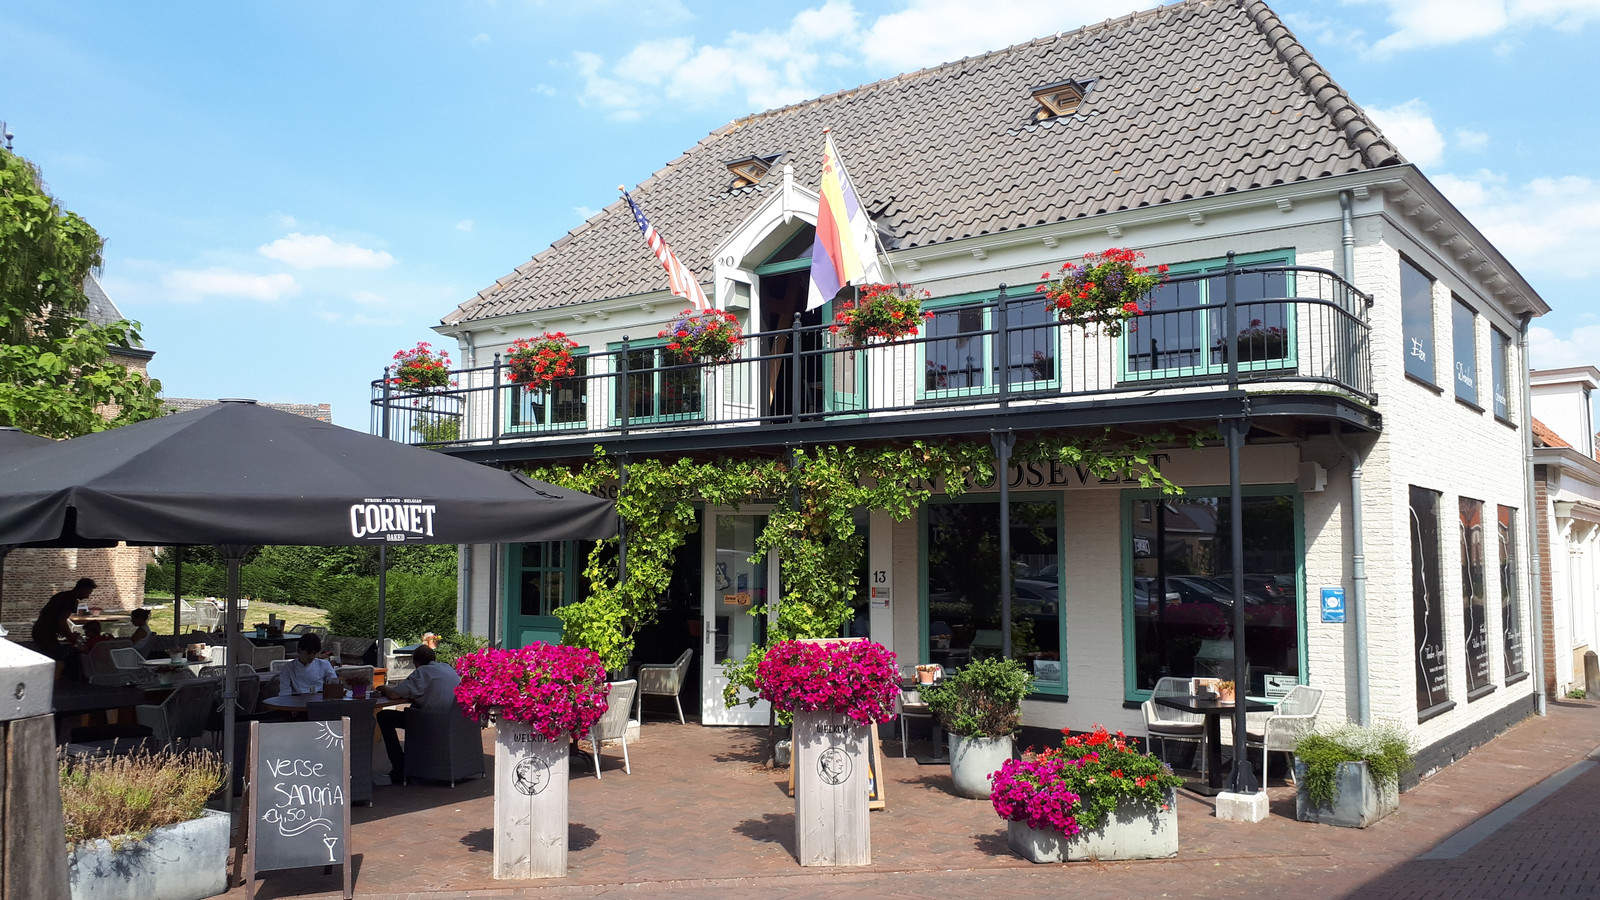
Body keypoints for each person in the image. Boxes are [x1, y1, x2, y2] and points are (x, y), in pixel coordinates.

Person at [375, 645, 462, 785]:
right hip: (454, 721)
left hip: (432, 722)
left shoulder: (421, 672)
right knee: (413, 709)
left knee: (384, 717)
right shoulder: (447, 668)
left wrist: (383, 688)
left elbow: (395, 694)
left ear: (416, 663)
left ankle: (400, 768)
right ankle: (413, 763)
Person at [31, 578, 95, 680]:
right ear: (83, 589)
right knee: (59, 661)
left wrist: (61, 631)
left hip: (39, 630)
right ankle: (53, 687)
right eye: (89, 592)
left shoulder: (60, 596)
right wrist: (70, 636)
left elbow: (49, 615)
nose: (88, 596)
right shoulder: (71, 600)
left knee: (49, 658)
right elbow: (61, 621)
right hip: (46, 633)